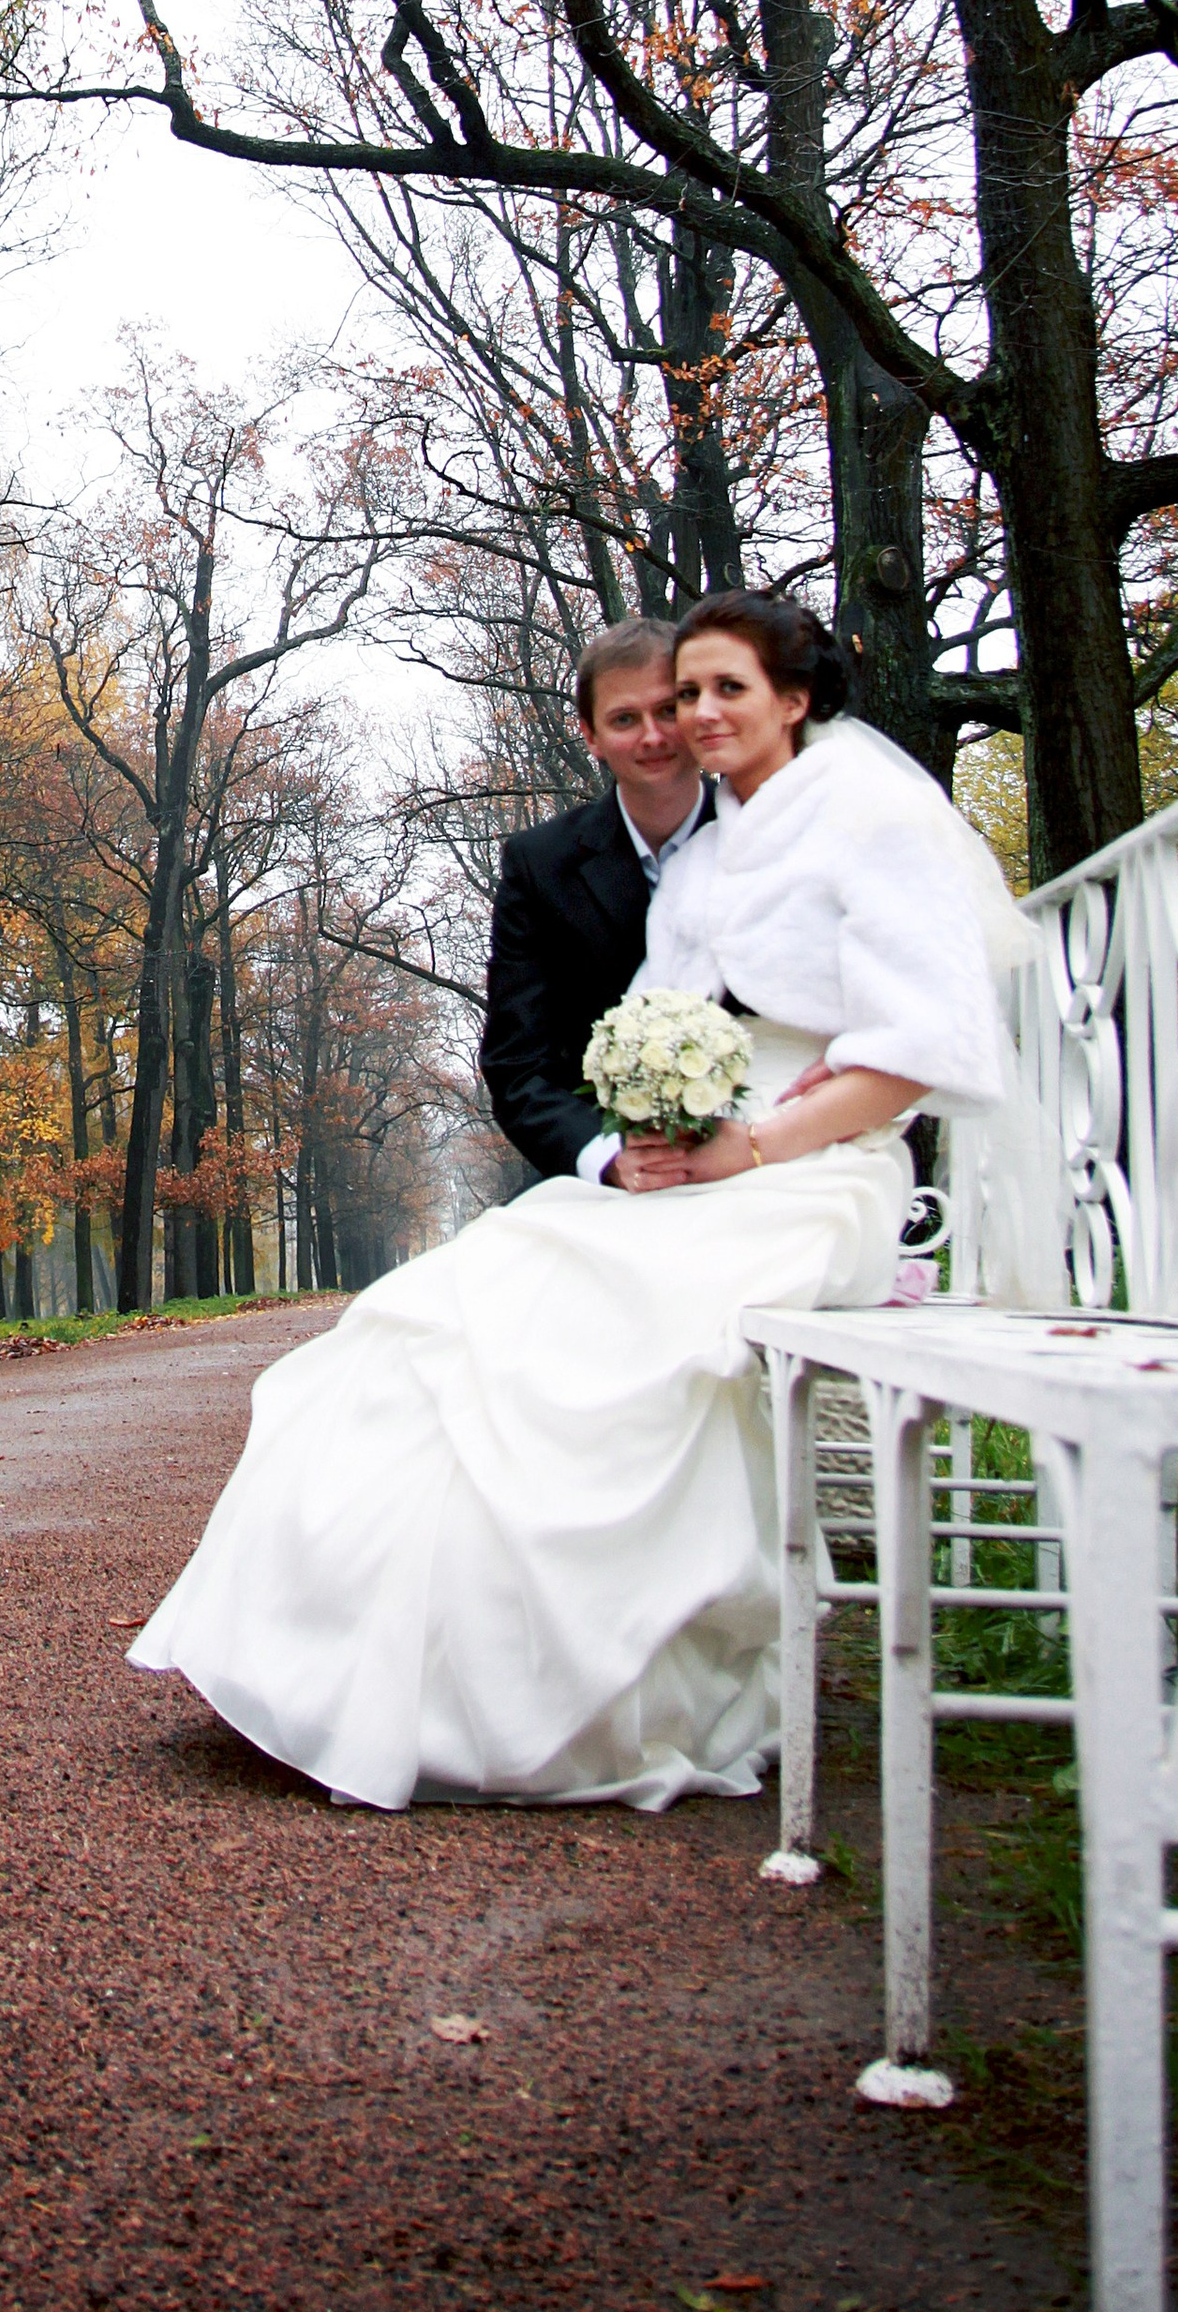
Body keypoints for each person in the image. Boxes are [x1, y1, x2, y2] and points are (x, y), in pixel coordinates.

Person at [127, 593, 1019, 1813]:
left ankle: (603, 1690)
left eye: (719, 693)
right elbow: (619, 1035)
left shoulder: (869, 818)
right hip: (696, 1160)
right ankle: (377, 1675)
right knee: (450, 1309)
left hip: (811, 1171)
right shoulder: (711, 850)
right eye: (673, 698)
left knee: (603, 1344)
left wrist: (752, 1145)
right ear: (592, 732)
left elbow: (919, 1052)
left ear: (795, 700)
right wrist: (645, 1140)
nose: (692, 719)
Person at [478, 619, 712, 1186]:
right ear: (591, 736)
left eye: (667, 710)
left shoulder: (766, 834)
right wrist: (607, 1159)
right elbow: (519, 1065)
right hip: (615, 1179)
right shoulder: (540, 866)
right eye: (625, 719)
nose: (652, 736)